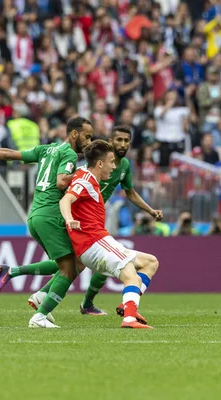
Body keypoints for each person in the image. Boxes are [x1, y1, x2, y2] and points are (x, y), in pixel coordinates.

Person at [0, 117, 93, 327]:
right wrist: (86, 174)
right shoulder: (69, 154)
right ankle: (40, 316)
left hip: (35, 216)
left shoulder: (47, 149)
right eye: (87, 136)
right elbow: (61, 181)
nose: (89, 141)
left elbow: (9, 154)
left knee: (74, 263)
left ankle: (21, 279)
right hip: (51, 215)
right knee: (69, 269)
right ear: (74, 134)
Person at [29, 126, 163, 318]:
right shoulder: (86, 175)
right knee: (74, 267)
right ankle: (124, 310)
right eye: (119, 140)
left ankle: (43, 297)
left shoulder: (122, 166)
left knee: (76, 266)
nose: (123, 144)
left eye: (127, 140)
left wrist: (150, 210)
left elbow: (130, 192)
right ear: (110, 143)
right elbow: (66, 195)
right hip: (88, 230)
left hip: (94, 223)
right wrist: (68, 217)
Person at [59, 140, 160, 329]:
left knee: (150, 262)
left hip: (96, 243)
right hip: (95, 243)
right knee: (131, 275)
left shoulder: (85, 175)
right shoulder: (86, 180)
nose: (114, 166)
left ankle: (129, 304)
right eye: (111, 161)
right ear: (99, 164)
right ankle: (129, 318)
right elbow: (66, 199)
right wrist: (68, 218)